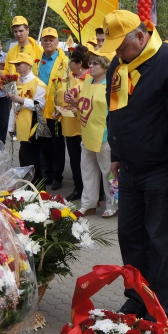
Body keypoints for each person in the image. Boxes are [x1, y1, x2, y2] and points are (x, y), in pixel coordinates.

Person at [101, 9, 168, 319]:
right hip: (129, 168)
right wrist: (116, 151)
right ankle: (136, 297)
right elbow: (116, 110)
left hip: (161, 171)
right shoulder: (120, 62)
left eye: (121, 45)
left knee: (160, 242)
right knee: (131, 237)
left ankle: (157, 307)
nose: (116, 53)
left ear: (141, 37)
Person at [72, 52, 117, 217]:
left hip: (103, 134)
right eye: (90, 63)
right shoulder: (88, 81)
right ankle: (88, 203)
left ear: (105, 66)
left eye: (95, 63)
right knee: (88, 170)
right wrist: (74, 103)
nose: (90, 66)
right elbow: (85, 105)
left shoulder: (110, 84)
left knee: (107, 172)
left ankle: (112, 205)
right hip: (87, 132)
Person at [7, 52, 51, 186]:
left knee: (31, 159)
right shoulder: (15, 83)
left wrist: (22, 100)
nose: (17, 67)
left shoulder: (38, 84)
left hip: (33, 127)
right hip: (21, 127)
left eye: (19, 64)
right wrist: (10, 126)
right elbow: (13, 107)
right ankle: (29, 186)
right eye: (15, 64)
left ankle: (35, 187)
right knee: (25, 158)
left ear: (28, 65)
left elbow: (40, 106)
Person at [51, 45, 88, 201]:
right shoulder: (69, 78)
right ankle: (78, 188)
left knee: (87, 162)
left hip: (84, 127)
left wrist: (77, 108)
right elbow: (61, 96)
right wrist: (58, 111)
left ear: (79, 63)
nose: (69, 62)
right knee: (74, 159)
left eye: (72, 60)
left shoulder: (89, 80)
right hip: (69, 126)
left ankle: (93, 191)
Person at [38, 28, 69, 190]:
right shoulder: (37, 60)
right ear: (41, 42)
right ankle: (47, 174)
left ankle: (58, 176)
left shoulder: (64, 61)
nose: (48, 42)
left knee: (57, 145)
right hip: (40, 108)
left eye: (52, 40)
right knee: (44, 144)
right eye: (46, 40)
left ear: (57, 43)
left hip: (56, 109)